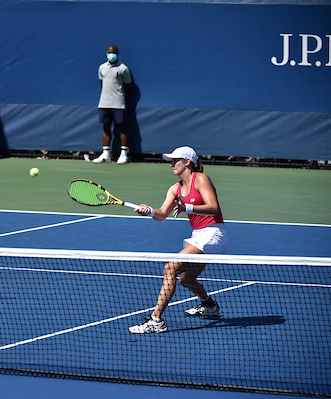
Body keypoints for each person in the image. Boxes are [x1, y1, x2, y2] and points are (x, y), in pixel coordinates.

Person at [128, 146, 227, 334]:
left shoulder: (201, 179)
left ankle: (156, 320)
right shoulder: (175, 189)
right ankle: (210, 305)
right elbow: (162, 214)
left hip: (213, 234)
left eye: (175, 160)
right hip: (197, 235)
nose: (171, 164)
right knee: (186, 279)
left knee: (170, 267)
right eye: (171, 161)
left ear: (187, 162)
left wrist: (187, 208)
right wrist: (148, 211)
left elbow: (213, 207)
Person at [93, 44, 133, 165]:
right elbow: (102, 83)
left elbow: (128, 85)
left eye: (114, 52)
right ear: (106, 53)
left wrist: (117, 95)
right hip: (104, 103)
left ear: (117, 54)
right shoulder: (102, 68)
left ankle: (123, 155)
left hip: (118, 103)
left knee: (122, 126)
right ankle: (106, 154)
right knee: (106, 127)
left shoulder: (123, 68)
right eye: (110, 52)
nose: (112, 54)